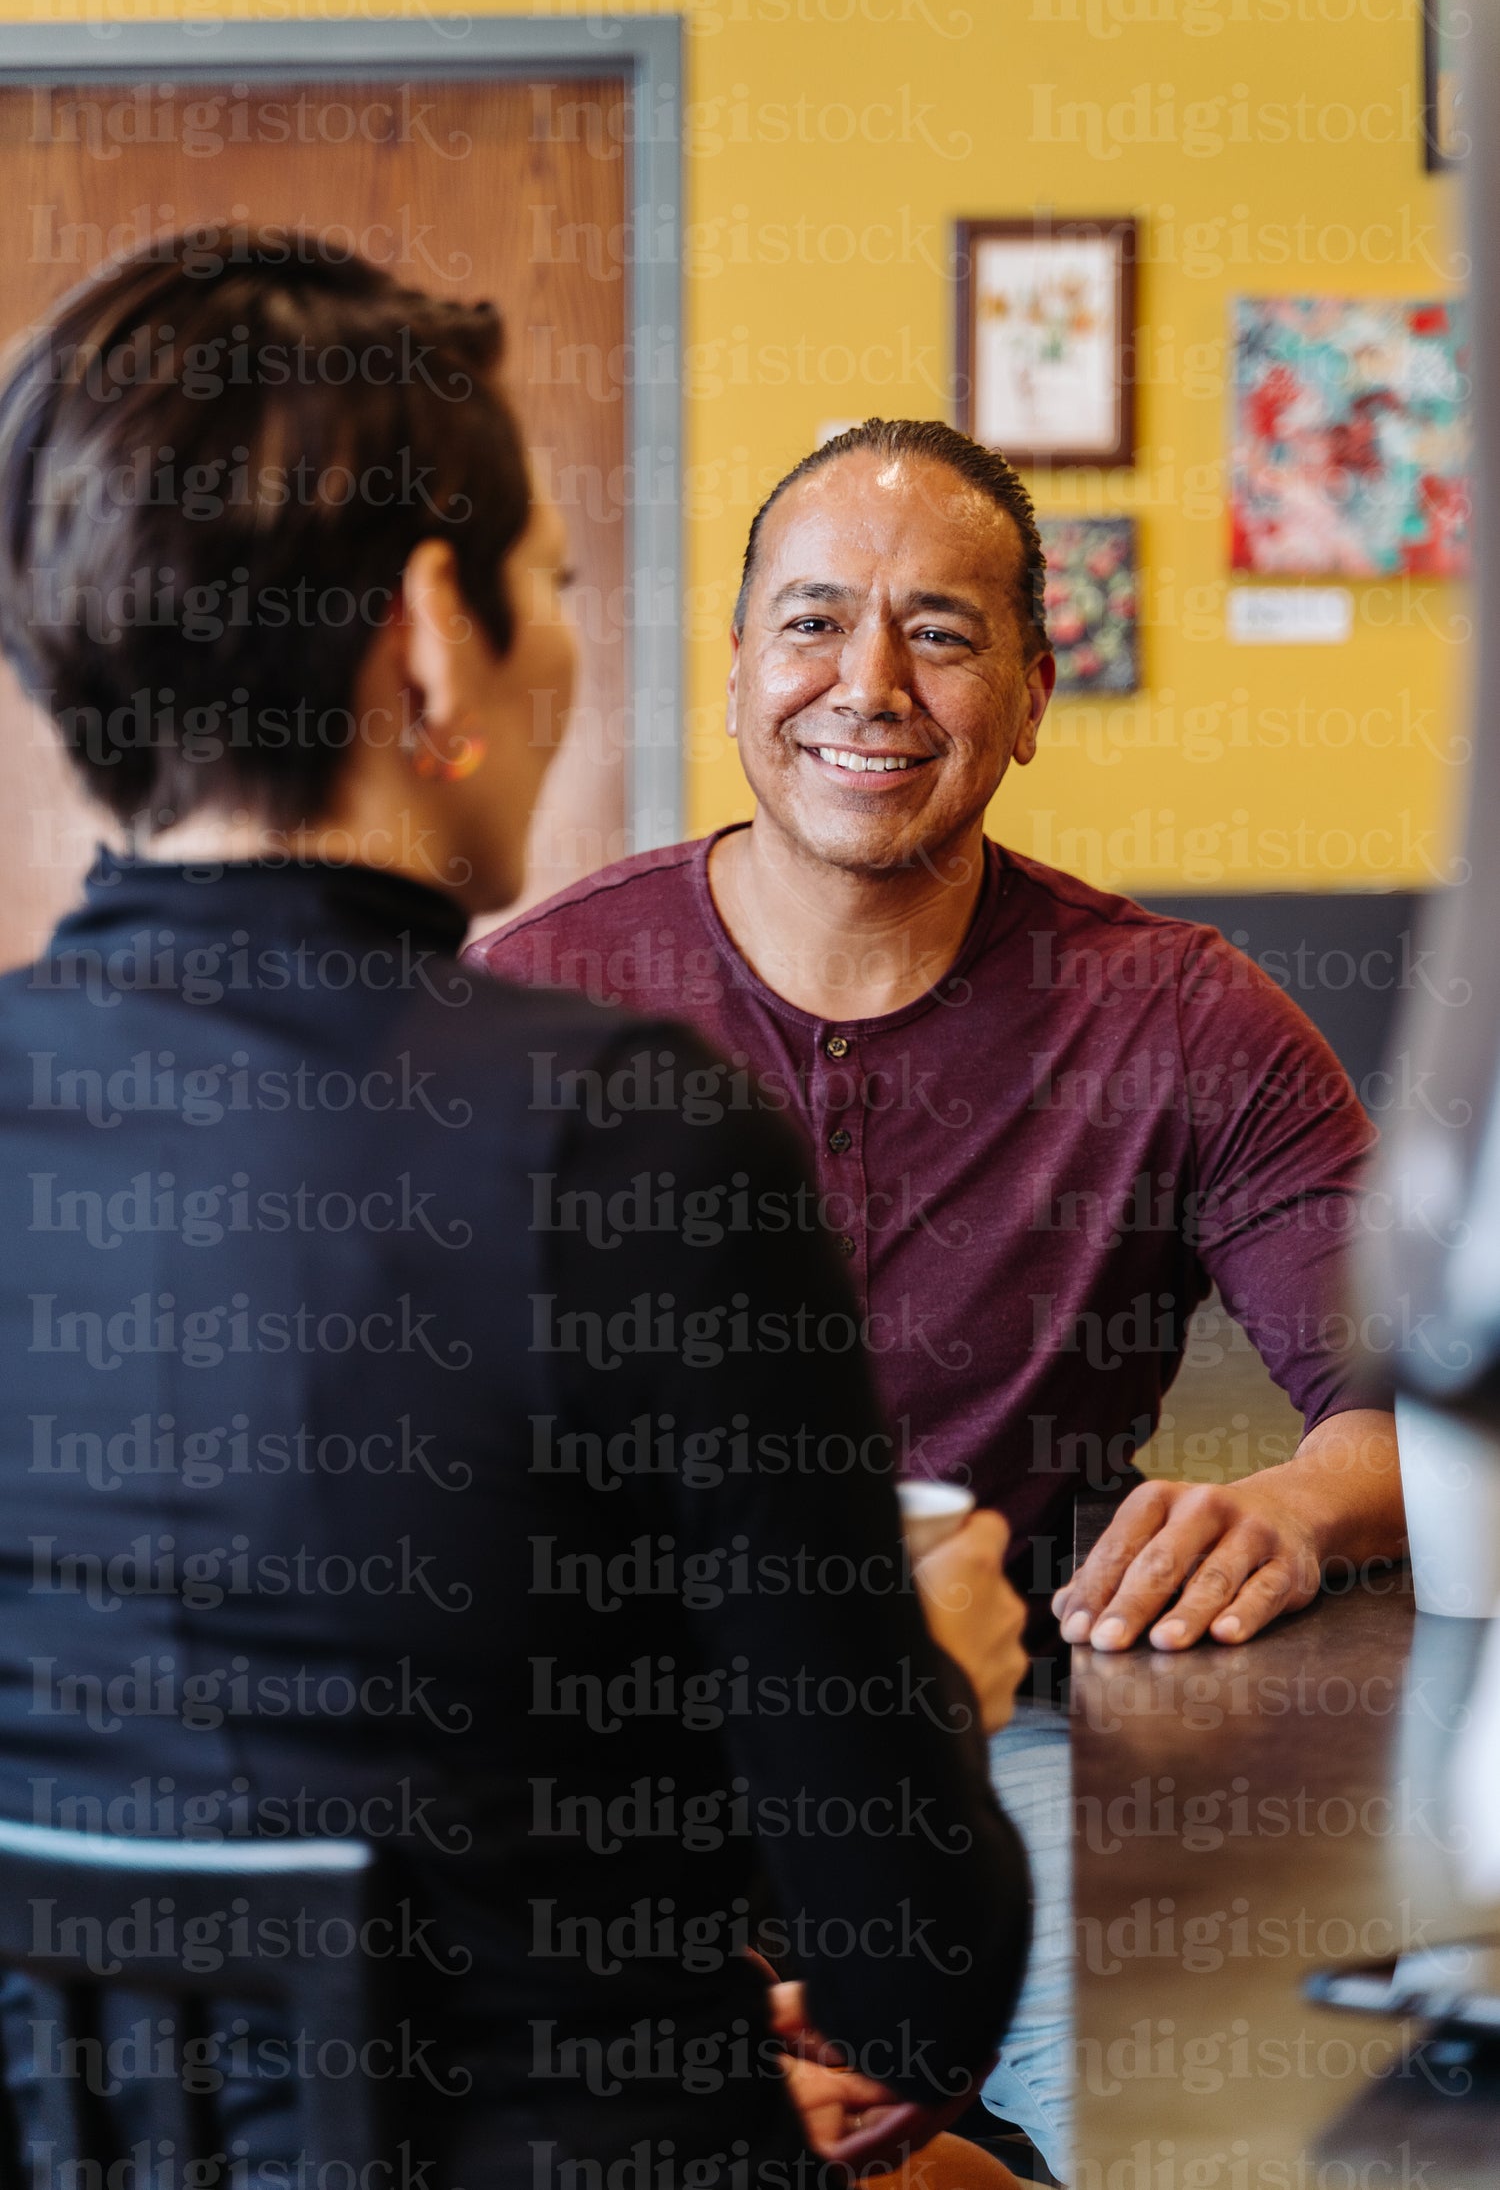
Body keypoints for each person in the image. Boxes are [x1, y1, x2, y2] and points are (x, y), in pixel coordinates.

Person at [0, 245, 1033, 2187]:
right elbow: (915, 1987)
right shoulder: (633, 1142)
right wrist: (927, 1687)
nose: (564, 653)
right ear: (427, 640)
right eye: (553, 589)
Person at [470, 416, 1407, 2176]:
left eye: (945, 632)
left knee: (1187, 2134)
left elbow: (1432, 1403)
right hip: (600, 1760)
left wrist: (1297, 1500)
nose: (869, 682)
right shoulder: (538, 997)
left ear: (1037, 693)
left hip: (1009, 1743)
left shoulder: (1182, 1019)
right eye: (815, 620)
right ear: (740, 667)